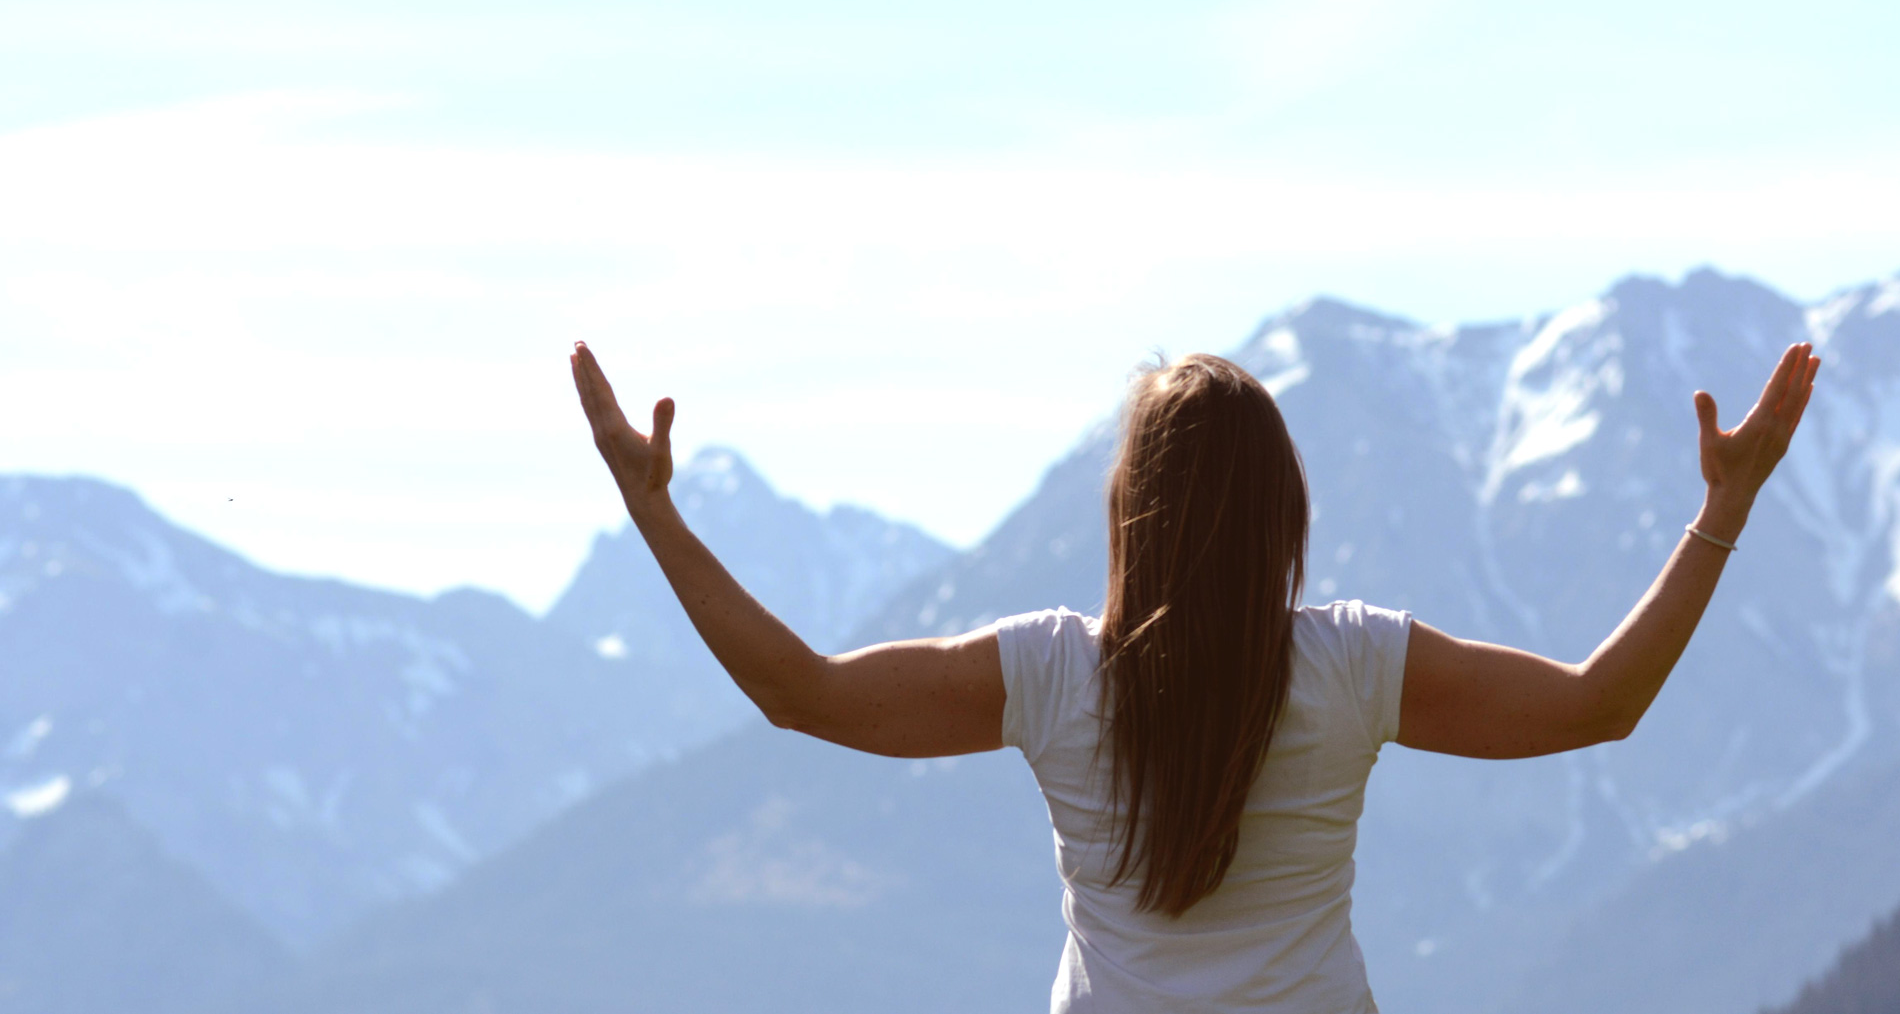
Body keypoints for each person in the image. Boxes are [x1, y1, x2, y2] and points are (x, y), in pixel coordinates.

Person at [569, 337, 1819, 1013]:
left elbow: (804, 691)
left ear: (1130, 513)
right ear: (1285, 509)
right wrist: (1722, 512)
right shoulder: (1353, 664)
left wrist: (657, 516)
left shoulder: (1051, 674)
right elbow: (1601, 701)